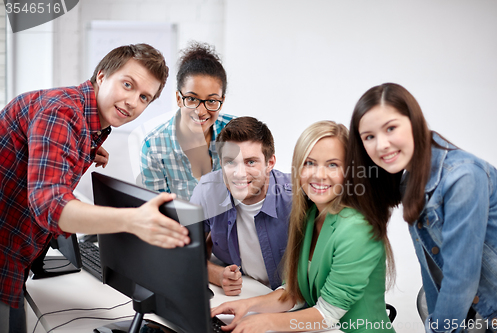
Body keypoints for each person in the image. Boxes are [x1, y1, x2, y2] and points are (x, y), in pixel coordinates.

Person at [0, 44, 191, 332]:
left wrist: (85, 150)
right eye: (127, 84)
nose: (132, 102)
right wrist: (132, 220)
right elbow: (50, 206)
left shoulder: (85, 122)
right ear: (102, 76)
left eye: (144, 97)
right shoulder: (62, 112)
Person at [211, 121, 395, 333]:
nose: (319, 175)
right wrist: (248, 305)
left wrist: (268, 322)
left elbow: (327, 314)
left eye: (333, 165)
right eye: (309, 163)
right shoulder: (310, 215)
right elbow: (296, 291)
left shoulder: (357, 227)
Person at [346, 82, 497, 333]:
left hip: (491, 311)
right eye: (369, 137)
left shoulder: (463, 177)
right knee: (426, 301)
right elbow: (432, 272)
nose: (381, 145)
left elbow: (461, 279)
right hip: (475, 311)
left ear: (414, 121)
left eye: (391, 128)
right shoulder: (409, 180)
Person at [190, 117, 292, 296]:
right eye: (230, 162)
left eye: (250, 162)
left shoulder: (296, 198)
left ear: (270, 163)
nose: (239, 173)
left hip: (294, 303)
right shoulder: (207, 191)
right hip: (242, 295)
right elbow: (184, 253)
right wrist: (216, 274)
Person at [140, 42, 236, 200]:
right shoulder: (154, 147)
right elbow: (157, 210)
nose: (201, 111)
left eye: (212, 101)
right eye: (192, 99)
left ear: (222, 101)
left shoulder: (237, 132)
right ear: (179, 98)